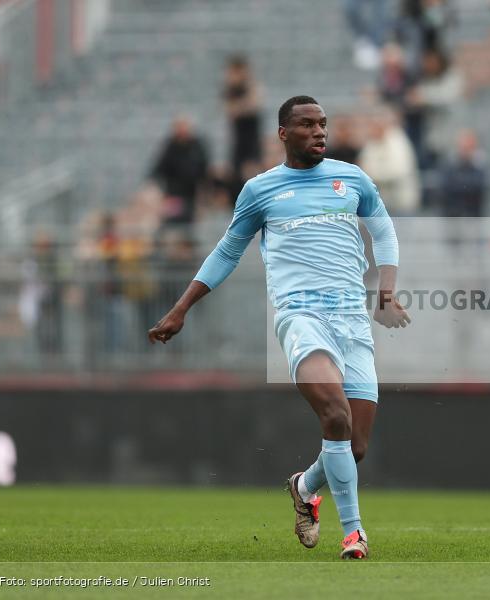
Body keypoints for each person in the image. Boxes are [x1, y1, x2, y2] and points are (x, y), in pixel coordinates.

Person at [147, 96, 410, 559]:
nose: (319, 132)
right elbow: (227, 251)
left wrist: (386, 290)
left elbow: (384, 230)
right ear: (284, 134)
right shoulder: (260, 190)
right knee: (335, 417)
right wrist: (181, 307)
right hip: (301, 316)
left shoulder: (352, 178)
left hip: (352, 319)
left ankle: (304, 488)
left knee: (355, 447)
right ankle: (354, 533)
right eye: (308, 125)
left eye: (323, 124)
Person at [149, 116, 210, 226]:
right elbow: (158, 169)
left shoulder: (197, 147)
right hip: (173, 194)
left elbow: (202, 171)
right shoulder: (170, 147)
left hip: (192, 195)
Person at [222, 55, 263, 192]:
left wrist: (241, 105)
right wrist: (243, 105)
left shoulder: (250, 87)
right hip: (238, 142)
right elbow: (231, 111)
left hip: (252, 142)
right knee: (236, 181)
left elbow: (254, 105)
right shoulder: (230, 91)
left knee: (252, 178)